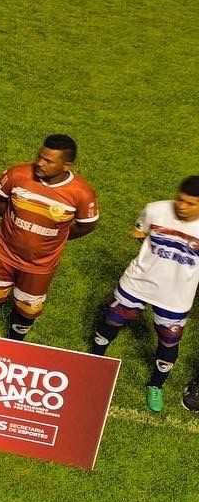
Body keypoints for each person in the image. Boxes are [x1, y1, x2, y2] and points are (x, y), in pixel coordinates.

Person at [0, 134, 99, 340]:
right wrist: (14, 222)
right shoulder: (18, 174)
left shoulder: (81, 193)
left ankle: (14, 345)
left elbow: (87, 225)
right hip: (3, 253)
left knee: (26, 308)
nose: (40, 163)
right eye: (40, 156)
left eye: (48, 161)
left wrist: (57, 236)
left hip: (41, 265)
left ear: (67, 165)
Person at [89, 176, 199, 413]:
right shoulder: (156, 210)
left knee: (169, 340)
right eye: (180, 199)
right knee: (112, 320)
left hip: (176, 296)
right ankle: (94, 363)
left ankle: (156, 385)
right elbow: (139, 234)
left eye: (190, 204)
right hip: (137, 282)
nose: (182, 206)